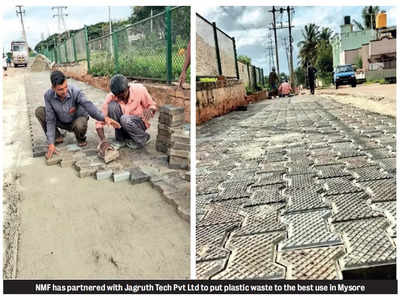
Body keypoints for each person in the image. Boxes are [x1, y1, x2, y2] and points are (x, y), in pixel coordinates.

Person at [35, 71, 119, 159]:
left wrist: (104, 118)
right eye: (60, 89)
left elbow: (88, 105)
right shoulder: (48, 96)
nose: (64, 91)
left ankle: (80, 138)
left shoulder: (75, 91)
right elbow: (50, 119)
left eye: (65, 87)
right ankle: (57, 137)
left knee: (80, 123)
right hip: (60, 120)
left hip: (75, 122)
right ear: (53, 88)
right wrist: (51, 143)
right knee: (40, 111)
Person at [96, 74, 157, 150]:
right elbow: (100, 120)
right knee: (111, 106)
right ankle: (121, 139)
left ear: (128, 88)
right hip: (124, 125)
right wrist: (103, 140)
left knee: (124, 119)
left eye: (122, 96)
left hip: (138, 124)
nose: (119, 98)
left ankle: (144, 138)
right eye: (117, 96)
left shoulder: (139, 90)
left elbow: (152, 105)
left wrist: (150, 109)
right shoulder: (111, 96)